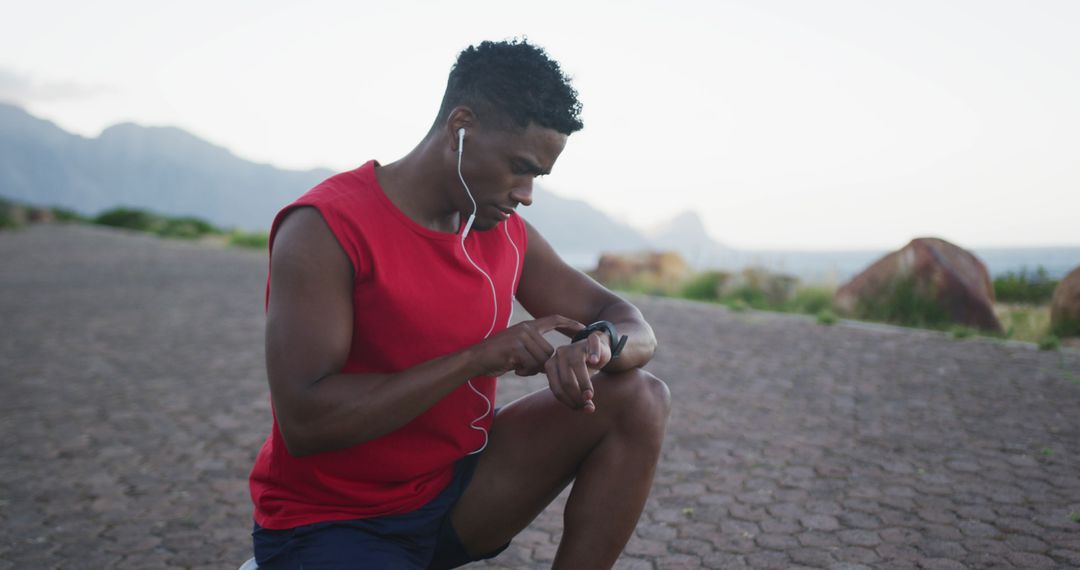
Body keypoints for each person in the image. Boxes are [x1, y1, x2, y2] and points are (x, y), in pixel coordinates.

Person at [247, 38, 671, 569]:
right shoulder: (325, 228)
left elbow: (633, 325)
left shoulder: (505, 231)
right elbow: (307, 425)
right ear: (460, 127)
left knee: (640, 398)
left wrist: (597, 346)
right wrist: (478, 358)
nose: (526, 193)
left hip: (458, 495)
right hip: (332, 521)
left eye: (537, 175)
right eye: (519, 166)